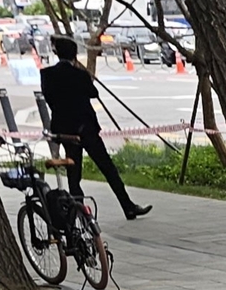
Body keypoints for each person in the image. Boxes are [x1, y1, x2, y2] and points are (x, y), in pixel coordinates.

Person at [40, 37, 149, 220]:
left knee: (74, 175)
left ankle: (79, 212)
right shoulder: (80, 75)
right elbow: (93, 93)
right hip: (86, 129)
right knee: (108, 168)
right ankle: (128, 206)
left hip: (66, 131)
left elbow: (49, 97)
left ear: (56, 53)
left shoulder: (47, 74)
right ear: (75, 54)